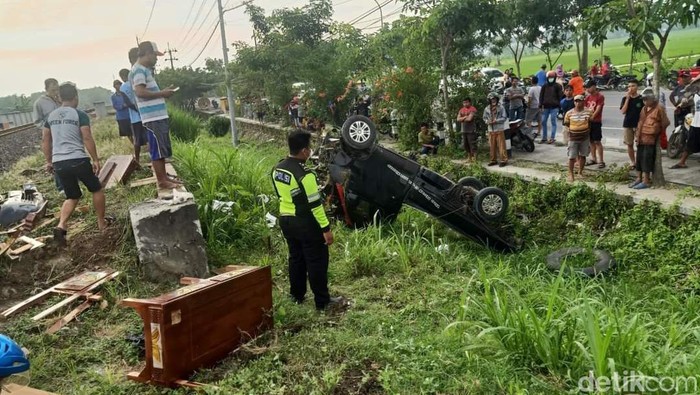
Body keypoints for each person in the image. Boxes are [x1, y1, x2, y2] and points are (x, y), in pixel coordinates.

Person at [271, 130, 343, 311]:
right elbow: (315, 205)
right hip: (305, 223)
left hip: (286, 220)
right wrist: (326, 229)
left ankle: (296, 295)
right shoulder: (306, 175)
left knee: (296, 258)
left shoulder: (278, 169)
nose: (311, 151)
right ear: (304, 151)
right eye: (309, 148)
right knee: (316, 260)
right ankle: (322, 301)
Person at [41, 82, 108, 246]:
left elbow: (46, 140)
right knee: (96, 188)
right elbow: (86, 137)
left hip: (59, 162)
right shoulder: (79, 115)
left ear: (60, 97)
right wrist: (95, 159)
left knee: (72, 195)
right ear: (75, 97)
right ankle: (101, 223)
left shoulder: (50, 117)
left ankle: (61, 225)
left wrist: (49, 161)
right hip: (77, 158)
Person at [130, 41, 181, 190]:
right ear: (146, 53)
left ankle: (164, 177)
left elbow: (146, 92)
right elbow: (140, 92)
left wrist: (162, 92)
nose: (156, 59)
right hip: (152, 118)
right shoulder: (139, 70)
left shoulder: (144, 70)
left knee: (161, 148)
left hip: (157, 117)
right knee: (157, 149)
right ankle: (162, 181)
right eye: (154, 55)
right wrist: (162, 94)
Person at [631, 88, 670, 189]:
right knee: (639, 159)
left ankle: (646, 181)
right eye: (643, 100)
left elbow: (665, 122)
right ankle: (638, 178)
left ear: (652, 99)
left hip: (650, 138)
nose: (644, 102)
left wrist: (657, 130)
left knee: (646, 160)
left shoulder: (659, 108)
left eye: (646, 99)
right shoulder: (644, 109)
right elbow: (640, 122)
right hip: (641, 137)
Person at [33, 78, 64, 193]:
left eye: (57, 89)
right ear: (46, 89)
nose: (55, 92)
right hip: (50, 134)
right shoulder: (39, 103)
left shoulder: (60, 99)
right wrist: (47, 128)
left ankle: (72, 180)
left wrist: (60, 100)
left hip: (63, 132)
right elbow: (37, 121)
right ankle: (60, 186)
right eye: (52, 90)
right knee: (55, 158)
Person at [119, 63, 148, 164]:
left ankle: (137, 160)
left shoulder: (123, 88)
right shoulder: (136, 82)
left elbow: (128, 103)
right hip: (144, 115)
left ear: (123, 77)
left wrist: (136, 110)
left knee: (137, 141)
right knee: (149, 137)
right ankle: (155, 157)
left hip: (135, 118)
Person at [670, 75, 700, 169]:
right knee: (689, 144)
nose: (697, 84)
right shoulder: (695, 94)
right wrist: (679, 106)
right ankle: (682, 162)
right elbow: (685, 99)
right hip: (695, 123)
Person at [563, 95, 592, 181]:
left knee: (583, 155)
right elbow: (567, 124)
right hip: (573, 138)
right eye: (576, 101)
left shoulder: (589, 112)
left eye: (580, 101)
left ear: (583, 102)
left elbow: (590, 122)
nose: (578, 103)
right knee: (572, 157)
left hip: (585, 137)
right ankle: (571, 173)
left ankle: (580, 172)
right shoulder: (569, 113)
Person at [620, 79, 644, 169]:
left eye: (633, 86)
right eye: (629, 86)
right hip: (628, 124)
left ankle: (640, 162)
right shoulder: (625, 98)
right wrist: (627, 98)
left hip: (638, 124)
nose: (631, 88)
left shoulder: (641, 98)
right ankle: (633, 162)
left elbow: (644, 112)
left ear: (637, 87)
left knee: (640, 144)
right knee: (629, 144)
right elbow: (623, 111)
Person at [584, 79, 606, 168]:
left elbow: (598, 108)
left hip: (596, 121)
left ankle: (601, 160)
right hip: (589, 122)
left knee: (597, 141)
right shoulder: (588, 98)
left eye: (588, 88)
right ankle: (593, 158)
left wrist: (592, 117)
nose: (587, 90)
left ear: (593, 87)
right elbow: (585, 107)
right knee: (591, 141)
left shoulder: (599, 96)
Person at [482, 92, 508, 167]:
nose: (493, 100)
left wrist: (496, 120)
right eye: (491, 99)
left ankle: (503, 160)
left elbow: (504, 117)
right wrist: (487, 121)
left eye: (494, 99)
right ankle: (493, 160)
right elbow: (484, 118)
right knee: (492, 146)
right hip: (490, 130)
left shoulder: (501, 107)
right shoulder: (486, 108)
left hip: (499, 129)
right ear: (489, 100)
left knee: (501, 145)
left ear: (497, 99)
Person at [539, 70, 564, 144]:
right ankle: (544, 137)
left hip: (554, 107)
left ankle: (552, 138)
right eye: (549, 77)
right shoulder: (544, 86)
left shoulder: (558, 86)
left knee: (553, 122)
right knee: (543, 121)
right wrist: (540, 104)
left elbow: (560, 97)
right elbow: (541, 96)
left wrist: (560, 107)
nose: (550, 78)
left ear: (555, 77)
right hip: (546, 106)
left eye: (552, 77)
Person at [457, 98, 478, 162]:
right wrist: (465, 117)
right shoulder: (461, 110)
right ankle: (469, 158)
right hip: (464, 130)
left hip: (471, 130)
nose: (465, 104)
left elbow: (469, 119)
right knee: (465, 144)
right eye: (464, 102)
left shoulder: (473, 109)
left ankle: (474, 158)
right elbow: (458, 119)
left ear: (470, 102)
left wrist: (462, 118)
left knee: (472, 144)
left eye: (466, 102)